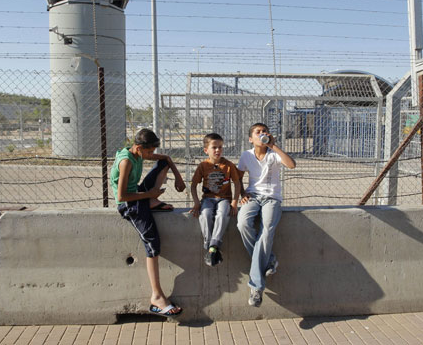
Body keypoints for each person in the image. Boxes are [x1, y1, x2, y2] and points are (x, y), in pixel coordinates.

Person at [110, 128, 186, 317]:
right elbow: (121, 196)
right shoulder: (126, 161)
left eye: (152, 151)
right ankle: (157, 296)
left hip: (139, 195)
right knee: (152, 244)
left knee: (162, 164)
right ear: (138, 147)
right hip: (129, 205)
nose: (151, 155)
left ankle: (151, 202)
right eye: (149, 152)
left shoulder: (138, 153)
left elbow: (166, 159)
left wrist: (178, 178)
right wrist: (150, 194)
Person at [236, 123, 296, 307]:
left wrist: (273, 145)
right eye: (257, 132)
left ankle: (256, 287)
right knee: (243, 224)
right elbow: (237, 177)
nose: (262, 134)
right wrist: (242, 194)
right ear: (250, 139)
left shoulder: (273, 154)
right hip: (253, 196)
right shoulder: (246, 155)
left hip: (272, 198)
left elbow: (292, 165)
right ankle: (268, 260)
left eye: (264, 131)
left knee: (267, 231)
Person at [189, 133, 240, 267]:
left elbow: (237, 183)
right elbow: (193, 185)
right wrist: (196, 203)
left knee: (223, 214)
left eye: (220, 147)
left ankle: (213, 246)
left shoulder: (228, 165)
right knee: (205, 214)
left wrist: (234, 202)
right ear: (206, 150)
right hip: (208, 199)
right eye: (214, 147)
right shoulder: (203, 166)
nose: (218, 150)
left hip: (224, 199)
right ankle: (211, 246)